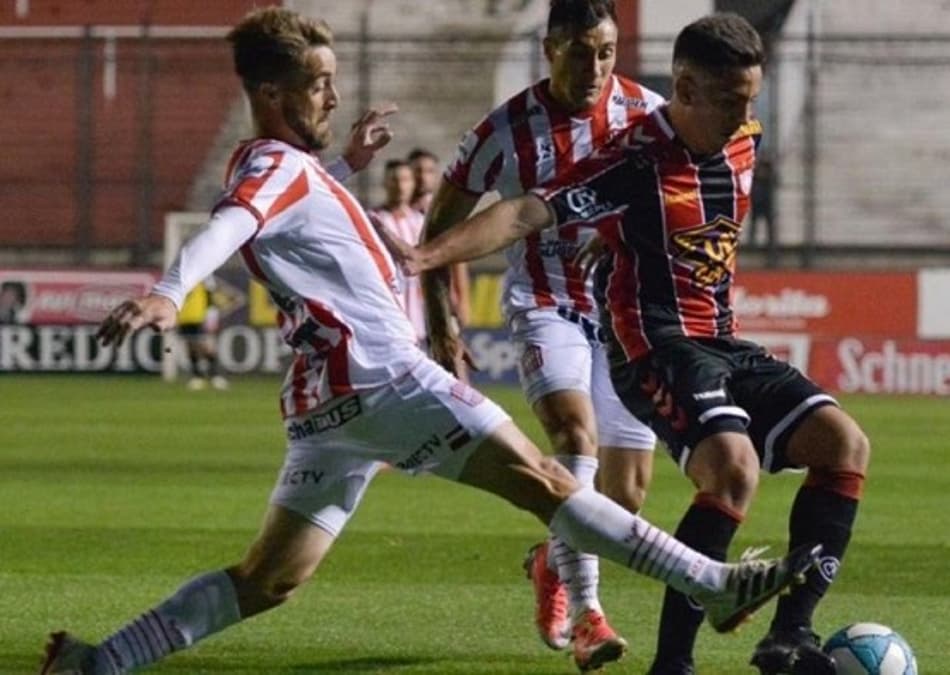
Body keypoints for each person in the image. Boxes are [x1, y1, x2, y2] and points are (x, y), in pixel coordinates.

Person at [40, 8, 819, 675]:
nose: (334, 95)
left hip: (329, 404)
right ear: (271, 95)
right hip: (383, 376)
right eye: (318, 84)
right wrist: (167, 291)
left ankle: (100, 660)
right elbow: (232, 225)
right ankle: (710, 581)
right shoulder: (272, 167)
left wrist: (346, 160)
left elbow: (301, 213)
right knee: (549, 478)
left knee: (270, 577)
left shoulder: (289, 167)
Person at [390, 12, 869, 675]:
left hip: (720, 339)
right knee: (728, 467)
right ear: (687, 89)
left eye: (751, 99)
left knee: (843, 443)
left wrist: (610, 230)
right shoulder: (633, 157)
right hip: (651, 343)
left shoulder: (742, 138)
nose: (746, 113)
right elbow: (530, 210)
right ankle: (668, 660)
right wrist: (428, 256)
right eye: (732, 100)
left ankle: (789, 636)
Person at [421, 0, 662, 668]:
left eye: (607, 51)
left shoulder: (645, 116)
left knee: (626, 495)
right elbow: (440, 226)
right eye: (580, 50)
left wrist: (623, 233)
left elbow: (674, 203)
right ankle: (589, 616)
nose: (595, 66)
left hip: (623, 313)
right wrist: (441, 317)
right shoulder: (504, 129)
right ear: (550, 47)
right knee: (575, 437)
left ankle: (550, 563)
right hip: (545, 301)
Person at [408, 148, 471, 352]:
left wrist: (461, 298)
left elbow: (457, 257)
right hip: (406, 301)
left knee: (451, 356)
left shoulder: (443, 212)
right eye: (417, 170)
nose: (422, 177)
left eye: (428, 171)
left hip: (439, 296)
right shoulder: (394, 215)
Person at [367, 159, 427, 345]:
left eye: (405, 179)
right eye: (394, 180)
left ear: (413, 183)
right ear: (385, 183)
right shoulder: (373, 219)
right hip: (386, 306)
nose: (400, 186)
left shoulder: (421, 221)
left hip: (418, 309)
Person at [177, 276, 228, 390]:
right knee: (190, 346)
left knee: (206, 346)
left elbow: (210, 296)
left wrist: (211, 315)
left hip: (200, 316)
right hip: (184, 316)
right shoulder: (180, 273)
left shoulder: (204, 274)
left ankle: (215, 375)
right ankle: (197, 376)